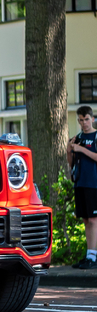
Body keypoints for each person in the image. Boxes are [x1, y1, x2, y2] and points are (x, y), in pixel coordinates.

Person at [67, 105, 97, 269]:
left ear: (92, 119)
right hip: (80, 183)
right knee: (86, 220)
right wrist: (70, 151)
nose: (84, 123)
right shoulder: (77, 138)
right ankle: (89, 255)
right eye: (80, 120)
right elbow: (72, 164)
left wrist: (82, 149)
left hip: (94, 183)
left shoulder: (96, 136)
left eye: (86, 119)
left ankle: (93, 256)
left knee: (93, 220)